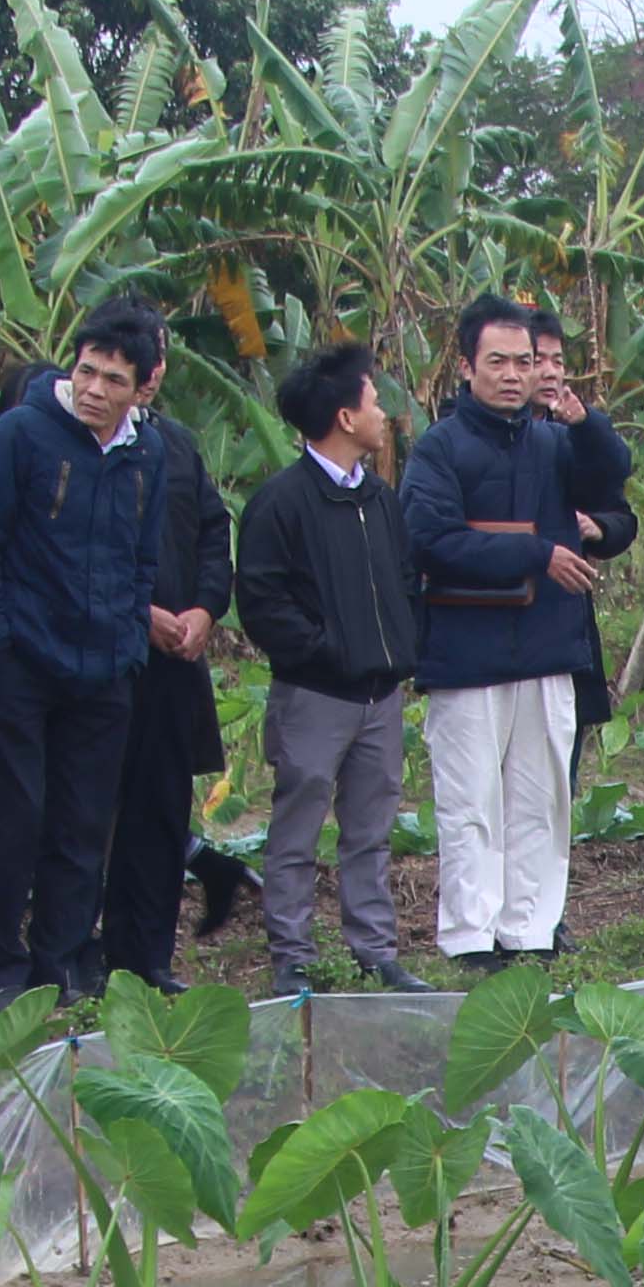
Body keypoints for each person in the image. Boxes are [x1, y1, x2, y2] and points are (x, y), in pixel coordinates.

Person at [0, 302, 172, 1016]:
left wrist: (129, 642)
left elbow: (143, 557)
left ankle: (62, 961)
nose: (95, 388)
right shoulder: (22, 434)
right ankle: (0, 974)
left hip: (106, 666)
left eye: (114, 378)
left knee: (82, 825)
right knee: (15, 817)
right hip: (24, 661)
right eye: (86, 370)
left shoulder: (148, 452)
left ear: (141, 389)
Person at [404, 295, 634, 968]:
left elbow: (611, 481)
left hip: (548, 648)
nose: (513, 373)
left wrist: (584, 420)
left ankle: (530, 930)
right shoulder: (438, 447)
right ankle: (471, 938)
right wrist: (537, 552)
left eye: (525, 361)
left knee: (542, 798)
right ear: (468, 365)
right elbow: (431, 539)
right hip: (465, 653)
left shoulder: (556, 443)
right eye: (498, 360)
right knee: (471, 801)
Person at [231, 337, 424, 989]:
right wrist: (324, 652)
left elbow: (402, 579)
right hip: (315, 697)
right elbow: (262, 602)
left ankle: (375, 951)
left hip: (381, 695)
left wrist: (400, 648)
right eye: (374, 401)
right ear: (345, 417)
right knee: (297, 831)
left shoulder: (380, 500)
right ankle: (293, 957)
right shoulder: (281, 502)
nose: (383, 414)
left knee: (370, 829)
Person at [92, 328, 232, 994]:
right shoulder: (70, 445)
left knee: (161, 812)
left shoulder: (174, 443)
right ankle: (74, 954)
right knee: (90, 811)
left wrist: (206, 607)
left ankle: (146, 955)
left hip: (179, 657)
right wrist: (138, 612)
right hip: (106, 653)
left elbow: (212, 530)